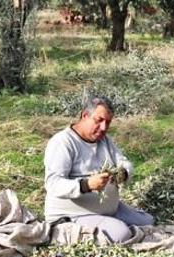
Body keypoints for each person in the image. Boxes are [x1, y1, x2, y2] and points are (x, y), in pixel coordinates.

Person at [44, 95, 153, 243]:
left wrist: (123, 173)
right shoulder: (63, 142)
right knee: (121, 234)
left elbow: (124, 162)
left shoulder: (104, 141)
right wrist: (86, 185)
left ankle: (108, 220)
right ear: (85, 116)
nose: (103, 128)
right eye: (99, 120)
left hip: (110, 209)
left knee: (148, 221)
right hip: (75, 213)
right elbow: (53, 183)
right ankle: (64, 230)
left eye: (107, 123)